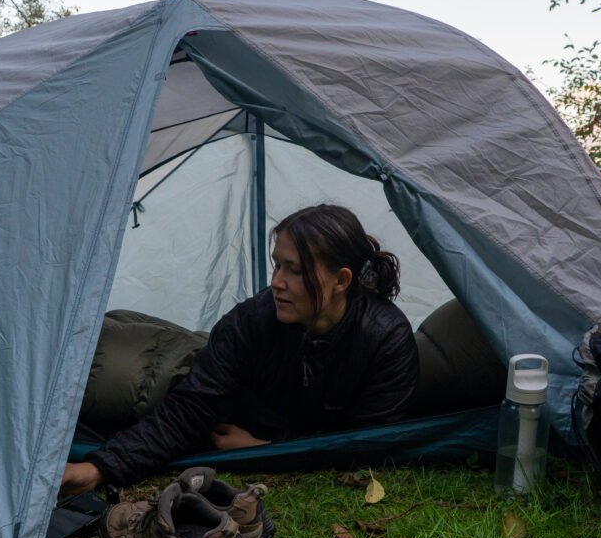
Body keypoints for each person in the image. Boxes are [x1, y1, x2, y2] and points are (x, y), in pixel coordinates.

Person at [61, 203, 419, 493]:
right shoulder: (253, 319)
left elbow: (367, 442)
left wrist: (264, 448)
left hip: (212, 382)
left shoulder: (386, 339)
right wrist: (99, 469)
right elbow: (190, 408)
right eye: (277, 265)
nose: (276, 282)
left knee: (118, 372)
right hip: (184, 366)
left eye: (293, 270)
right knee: (105, 365)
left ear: (341, 280)